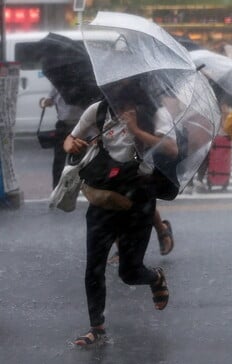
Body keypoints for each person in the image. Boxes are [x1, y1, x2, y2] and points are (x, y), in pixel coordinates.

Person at [64, 80, 176, 346]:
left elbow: (171, 149)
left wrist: (136, 129)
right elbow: (71, 137)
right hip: (105, 194)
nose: (116, 92)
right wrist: (72, 145)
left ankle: (154, 277)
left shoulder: (155, 113)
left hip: (139, 198)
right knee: (94, 266)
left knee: (129, 272)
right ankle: (96, 328)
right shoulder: (99, 111)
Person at [40, 86, 84, 188]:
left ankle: (63, 188)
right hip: (71, 126)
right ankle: (60, 188)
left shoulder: (62, 83)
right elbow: (49, 101)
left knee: (68, 160)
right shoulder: (61, 84)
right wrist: (45, 102)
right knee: (67, 160)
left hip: (75, 126)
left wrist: (45, 102)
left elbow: (48, 102)